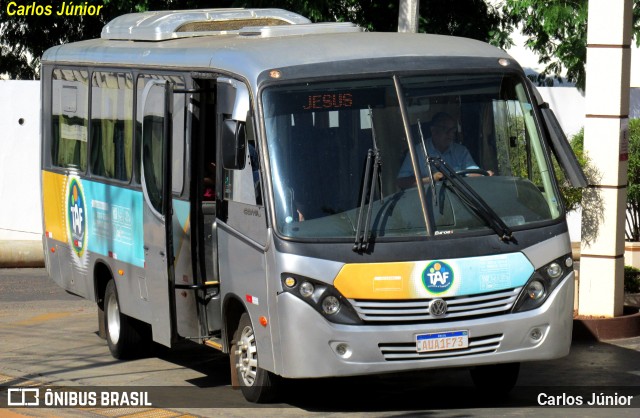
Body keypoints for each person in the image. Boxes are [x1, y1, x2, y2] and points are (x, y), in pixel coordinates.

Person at [397, 112, 491, 189]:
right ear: (433, 130)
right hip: (428, 202)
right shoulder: (416, 152)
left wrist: (485, 175)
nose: (450, 134)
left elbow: (472, 172)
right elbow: (402, 182)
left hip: (460, 198)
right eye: (446, 129)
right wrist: (431, 179)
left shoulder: (461, 151)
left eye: (453, 130)